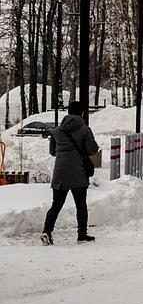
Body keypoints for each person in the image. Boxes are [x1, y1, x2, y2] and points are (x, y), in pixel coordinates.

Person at [41, 99, 99, 245]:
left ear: (67, 112)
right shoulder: (85, 129)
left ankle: (47, 231)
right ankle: (81, 234)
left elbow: (52, 152)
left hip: (60, 172)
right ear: (81, 113)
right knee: (80, 204)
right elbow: (92, 150)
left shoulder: (56, 131)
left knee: (56, 204)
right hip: (78, 172)